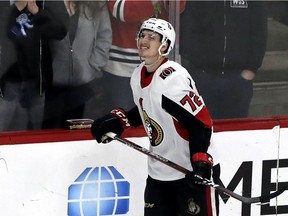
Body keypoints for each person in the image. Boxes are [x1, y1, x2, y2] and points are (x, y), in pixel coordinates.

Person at [91, 18, 219, 216]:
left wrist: (201, 162)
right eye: (142, 35)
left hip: (190, 172)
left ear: (165, 45)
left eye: (152, 37)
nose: (144, 40)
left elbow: (201, 123)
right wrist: (120, 120)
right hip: (160, 171)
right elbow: (147, 110)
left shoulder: (172, 79)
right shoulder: (138, 74)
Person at [180, 1, 267, 119]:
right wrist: (196, 63)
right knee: (201, 130)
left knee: (234, 131)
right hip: (203, 76)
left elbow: (259, 31)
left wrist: (251, 69)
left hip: (238, 79)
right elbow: (187, 28)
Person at [102, 0, 186, 112]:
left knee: (161, 123)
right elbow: (120, 9)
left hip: (162, 66)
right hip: (124, 67)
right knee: (123, 122)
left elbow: (178, 7)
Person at [42, 0, 112, 129]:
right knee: (51, 131)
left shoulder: (97, 4)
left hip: (84, 83)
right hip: (53, 84)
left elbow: (104, 36)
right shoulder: (48, 3)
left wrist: (94, 65)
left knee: (79, 133)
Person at [0, 0, 67, 131]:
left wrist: (36, 11)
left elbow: (60, 32)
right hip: (7, 82)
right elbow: (7, 37)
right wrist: (16, 9)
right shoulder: (4, 6)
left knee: (35, 132)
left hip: (37, 82)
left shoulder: (45, 6)